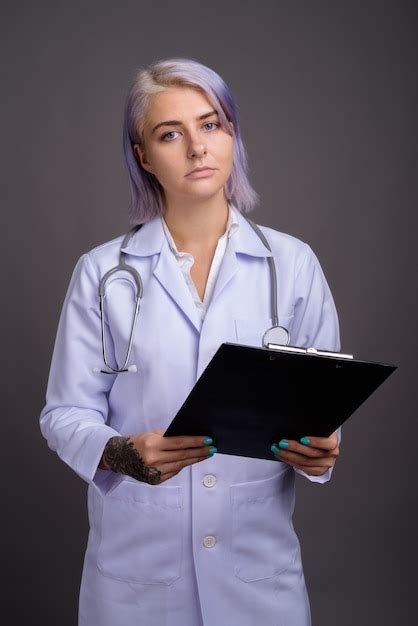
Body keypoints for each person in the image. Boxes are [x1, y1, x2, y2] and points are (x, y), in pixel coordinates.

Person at [39, 57, 342, 626]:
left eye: (211, 125)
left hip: (257, 578)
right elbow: (65, 413)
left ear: (232, 136)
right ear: (143, 156)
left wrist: (320, 448)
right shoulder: (103, 273)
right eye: (170, 134)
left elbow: (320, 406)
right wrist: (122, 454)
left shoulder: (293, 265)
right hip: (138, 580)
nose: (197, 148)